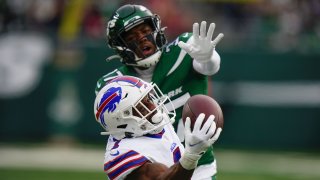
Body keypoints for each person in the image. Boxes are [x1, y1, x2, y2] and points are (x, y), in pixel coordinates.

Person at [95, 4, 224, 179]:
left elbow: (209, 67)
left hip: (200, 166)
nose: (142, 38)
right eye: (132, 36)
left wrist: (208, 58)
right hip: (153, 163)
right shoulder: (115, 85)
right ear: (119, 46)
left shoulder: (184, 49)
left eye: (145, 30)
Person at [94, 75, 222, 179]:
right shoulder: (122, 154)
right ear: (121, 121)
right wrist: (191, 156)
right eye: (141, 107)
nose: (153, 107)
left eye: (148, 99)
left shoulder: (149, 123)